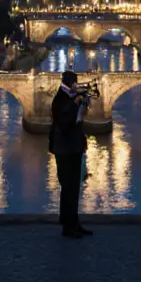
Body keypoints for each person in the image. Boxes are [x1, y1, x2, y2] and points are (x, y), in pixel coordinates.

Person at [49, 70, 91, 238]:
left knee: (74, 188)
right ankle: (67, 226)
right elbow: (64, 121)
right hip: (64, 148)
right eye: (74, 82)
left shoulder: (69, 97)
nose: (76, 85)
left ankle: (74, 222)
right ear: (69, 83)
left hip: (73, 146)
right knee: (68, 187)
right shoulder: (59, 99)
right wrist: (76, 104)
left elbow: (77, 119)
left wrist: (82, 104)